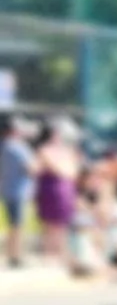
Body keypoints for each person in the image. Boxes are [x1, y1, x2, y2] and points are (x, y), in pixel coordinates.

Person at [33, 118, 81, 263]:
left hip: (65, 189)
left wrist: (62, 167)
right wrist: (61, 167)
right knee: (49, 222)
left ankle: (60, 252)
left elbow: (72, 172)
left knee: (63, 222)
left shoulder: (68, 151)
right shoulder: (44, 150)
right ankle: (49, 253)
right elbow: (42, 169)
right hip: (49, 189)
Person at [1, 112, 35, 268]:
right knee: (18, 225)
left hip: (7, 189)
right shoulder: (17, 148)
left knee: (12, 224)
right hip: (18, 190)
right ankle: (16, 256)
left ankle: (11, 255)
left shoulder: (4, 147)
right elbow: (30, 168)